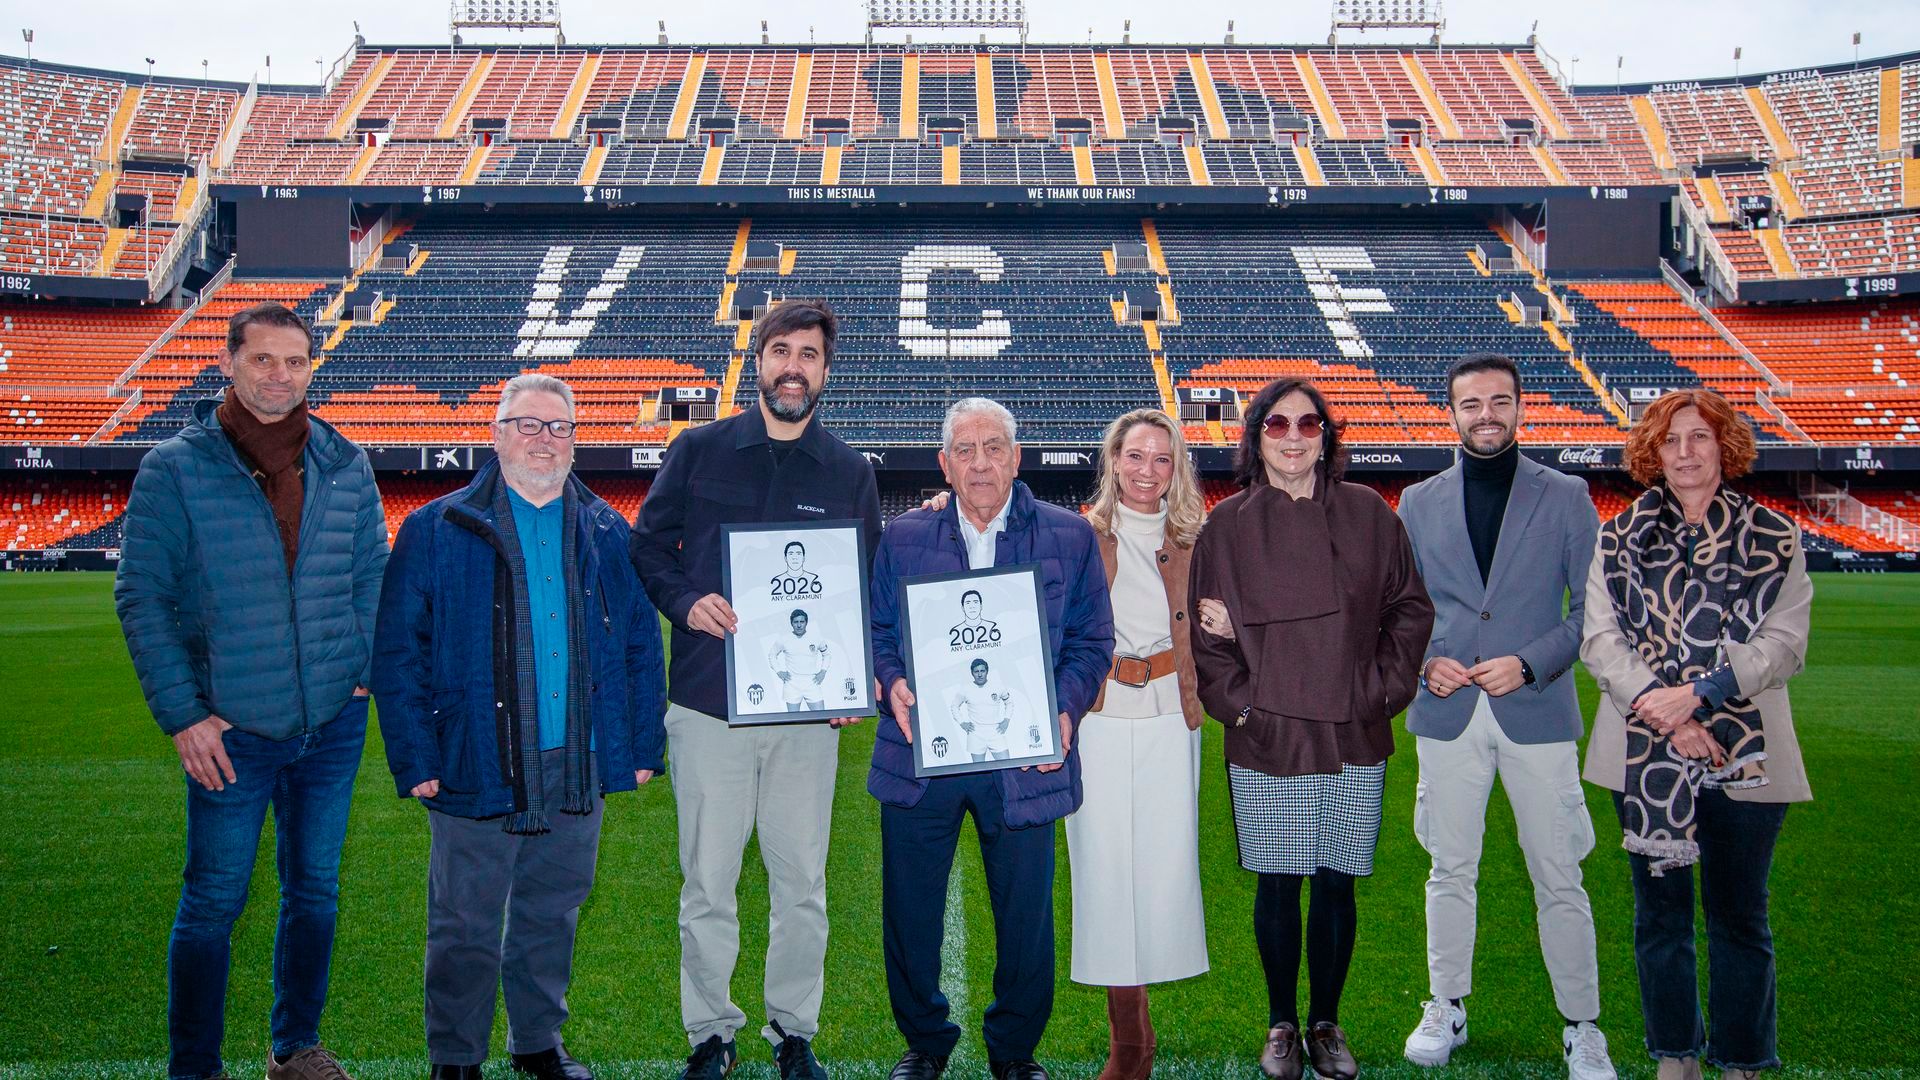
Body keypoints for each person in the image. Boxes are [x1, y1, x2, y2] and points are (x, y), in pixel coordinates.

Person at [114, 301, 388, 1080]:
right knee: (212, 906)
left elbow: (371, 573)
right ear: (230, 363)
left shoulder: (345, 461)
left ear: (312, 369)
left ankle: (294, 1047)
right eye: (263, 360)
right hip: (230, 731)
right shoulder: (176, 466)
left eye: (295, 362)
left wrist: (363, 663)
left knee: (315, 894)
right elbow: (141, 596)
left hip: (332, 724)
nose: (279, 376)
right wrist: (184, 715)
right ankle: (194, 1066)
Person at [372, 374, 668, 1080]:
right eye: (529, 425)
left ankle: (537, 1043)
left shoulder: (602, 529)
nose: (545, 440)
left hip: (578, 759)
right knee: (464, 926)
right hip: (476, 754)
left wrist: (640, 747)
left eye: (560, 428)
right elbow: (398, 650)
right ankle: (456, 1057)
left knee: (551, 915)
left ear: (576, 440)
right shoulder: (434, 528)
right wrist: (415, 756)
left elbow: (637, 645)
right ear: (498, 434)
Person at [630, 299, 882, 1080]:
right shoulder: (699, 449)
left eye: (809, 354)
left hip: (808, 716)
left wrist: (851, 674)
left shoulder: (848, 471)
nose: (793, 366)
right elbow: (647, 548)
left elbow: (865, 589)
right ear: (758, 361)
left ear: (825, 372)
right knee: (708, 881)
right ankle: (710, 1030)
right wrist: (685, 601)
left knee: (801, 882)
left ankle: (792, 1029)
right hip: (709, 705)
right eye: (781, 350)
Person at [1189, 379, 1433, 1080]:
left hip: (1352, 730)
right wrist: (1246, 712)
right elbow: (1210, 647)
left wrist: (1379, 693)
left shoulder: (1369, 515)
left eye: (1309, 424)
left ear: (1326, 435)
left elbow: (1410, 612)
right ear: (1255, 436)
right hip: (1269, 736)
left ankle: (1326, 1021)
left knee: (1335, 883)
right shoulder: (1227, 526)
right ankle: (1281, 1023)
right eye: (1277, 425)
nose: (1294, 437)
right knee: (1277, 884)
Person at [868, 397, 1114, 1080]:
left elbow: (1094, 643)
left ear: (1017, 456)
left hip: (1027, 760)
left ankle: (1014, 1048)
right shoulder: (903, 537)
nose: (981, 463)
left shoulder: (1069, 535)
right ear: (945, 464)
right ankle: (923, 1040)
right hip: (921, 758)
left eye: (994, 447)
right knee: (911, 910)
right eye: (966, 450)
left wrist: (1063, 711)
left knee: (1025, 913)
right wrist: (891, 683)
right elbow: (878, 635)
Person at [1580, 389, 1813, 1080]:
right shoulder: (1615, 537)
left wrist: (1701, 697)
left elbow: (1786, 643)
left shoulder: (1776, 536)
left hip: (1748, 752)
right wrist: (1664, 707)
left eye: (1699, 439)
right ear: (1652, 454)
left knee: (1740, 916)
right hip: (1642, 747)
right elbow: (1600, 640)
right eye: (1670, 441)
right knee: (1661, 918)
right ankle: (1674, 1055)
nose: (1684, 453)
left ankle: (1741, 1057)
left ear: (1724, 448)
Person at [1394, 355, 1615, 1078]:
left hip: (1537, 708)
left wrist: (1529, 661)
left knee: (1559, 873)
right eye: (1469, 404)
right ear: (1450, 413)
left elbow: (1591, 615)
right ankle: (1445, 1004)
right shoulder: (1419, 502)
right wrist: (1428, 659)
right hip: (1448, 709)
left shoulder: (1568, 495)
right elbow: (1405, 608)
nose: (1485, 414)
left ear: (1519, 407)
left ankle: (1583, 1025)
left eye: (1498, 401)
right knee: (1449, 869)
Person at [1068, 408, 1212, 1080]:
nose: (1147, 471)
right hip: (1096, 715)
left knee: (1161, 870)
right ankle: (1130, 1039)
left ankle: (1139, 1033)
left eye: (1161, 459)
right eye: (1134, 457)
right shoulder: (1079, 533)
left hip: (1168, 713)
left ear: (1176, 466)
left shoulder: (1201, 537)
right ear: (1113, 460)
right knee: (1102, 871)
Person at [948, 658, 1016, 761]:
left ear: (987, 672)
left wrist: (1006, 719)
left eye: (982, 671)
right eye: (976, 671)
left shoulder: (998, 686)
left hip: (995, 732)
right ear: (972, 673)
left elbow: (1009, 703)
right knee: (979, 771)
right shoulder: (965, 689)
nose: (980, 674)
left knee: (1006, 765)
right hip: (975, 734)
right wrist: (962, 723)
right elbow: (954, 706)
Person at [766, 609, 833, 711]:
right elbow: (772, 655)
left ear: (806, 623)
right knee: (794, 720)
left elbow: (827, 654)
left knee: (820, 717)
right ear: (791, 623)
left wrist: (823, 671)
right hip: (792, 684)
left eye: (802, 622)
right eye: (796, 622)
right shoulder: (784, 639)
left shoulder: (816, 638)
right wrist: (779, 672)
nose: (799, 625)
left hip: (812, 682)